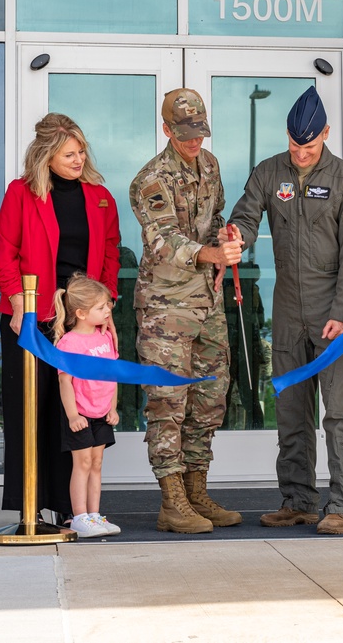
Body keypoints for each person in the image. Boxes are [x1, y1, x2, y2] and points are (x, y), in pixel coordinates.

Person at [229, 85, 343, 535]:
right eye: (294, 144)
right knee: (291, 409)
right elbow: (247, 216)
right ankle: (298, 500)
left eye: (308, 145)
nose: (300, 153)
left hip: (334, 311)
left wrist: (342, 311)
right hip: (287, 309)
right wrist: (236, 235)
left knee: (340, 413)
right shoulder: (269, 172)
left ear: (325, 134)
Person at [0, 113, 121, 526]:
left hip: (80, 320)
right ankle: (28, 505)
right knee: (31, 409)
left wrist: (104, 311)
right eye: (69, 153)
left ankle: (72, 510)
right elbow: (6, 254)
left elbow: (110, 256)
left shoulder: (101, 198)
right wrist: (18, 307)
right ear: (46, 156)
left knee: (75, 411)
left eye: (81, 151)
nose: (78, 158)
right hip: (31, 316)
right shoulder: (21, 193)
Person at [129, 88, 243, 534]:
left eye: (199, 132)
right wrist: (210, 255)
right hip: (166, 307)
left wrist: (226, 238)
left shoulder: (210, 165)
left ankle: (197, 492)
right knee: (168, 401)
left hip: (207, 301)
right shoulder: (150, 180)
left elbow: (213, 219)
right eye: (184, 134)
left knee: (210, 396)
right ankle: (171, 501)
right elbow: (163, 240)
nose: (194, 142)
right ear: (166, 130)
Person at [52, 273, 121, 538]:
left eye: (108, 307)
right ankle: (79, 516)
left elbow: (111, 375)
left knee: (96, 462)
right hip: (80, 413)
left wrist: (112, 407)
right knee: (81, 464)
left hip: (102, 412)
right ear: (81, 313)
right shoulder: (70, 342)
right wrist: (72, 415)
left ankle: (95, 515)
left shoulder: (104, 338)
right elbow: (65, 382)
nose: (108, 312)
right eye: (101, 308)